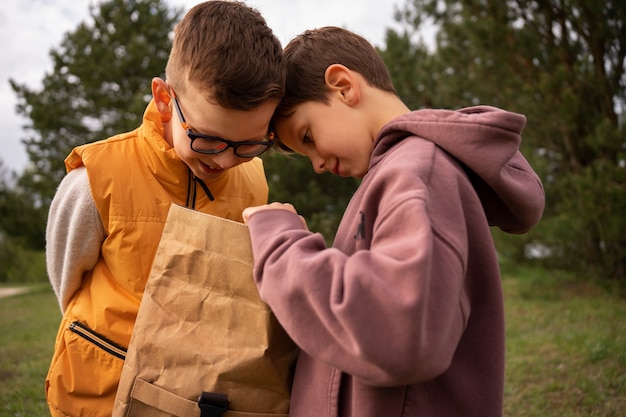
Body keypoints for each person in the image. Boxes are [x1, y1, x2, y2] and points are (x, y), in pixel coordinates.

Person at [242, 26, 545, 417]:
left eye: (308, 136)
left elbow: (401, 333)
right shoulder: (397, 175)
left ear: (342, 85)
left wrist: (281, 244)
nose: (316, 164)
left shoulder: (419, 173)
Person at [44, 2, 284, 416]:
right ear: (164, 99)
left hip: (195, 398)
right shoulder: (97, 176)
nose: (224, 162)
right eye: (208, 139)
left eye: (249, 145)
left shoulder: (254, 182)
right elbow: (66, 282)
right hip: (98, 392)